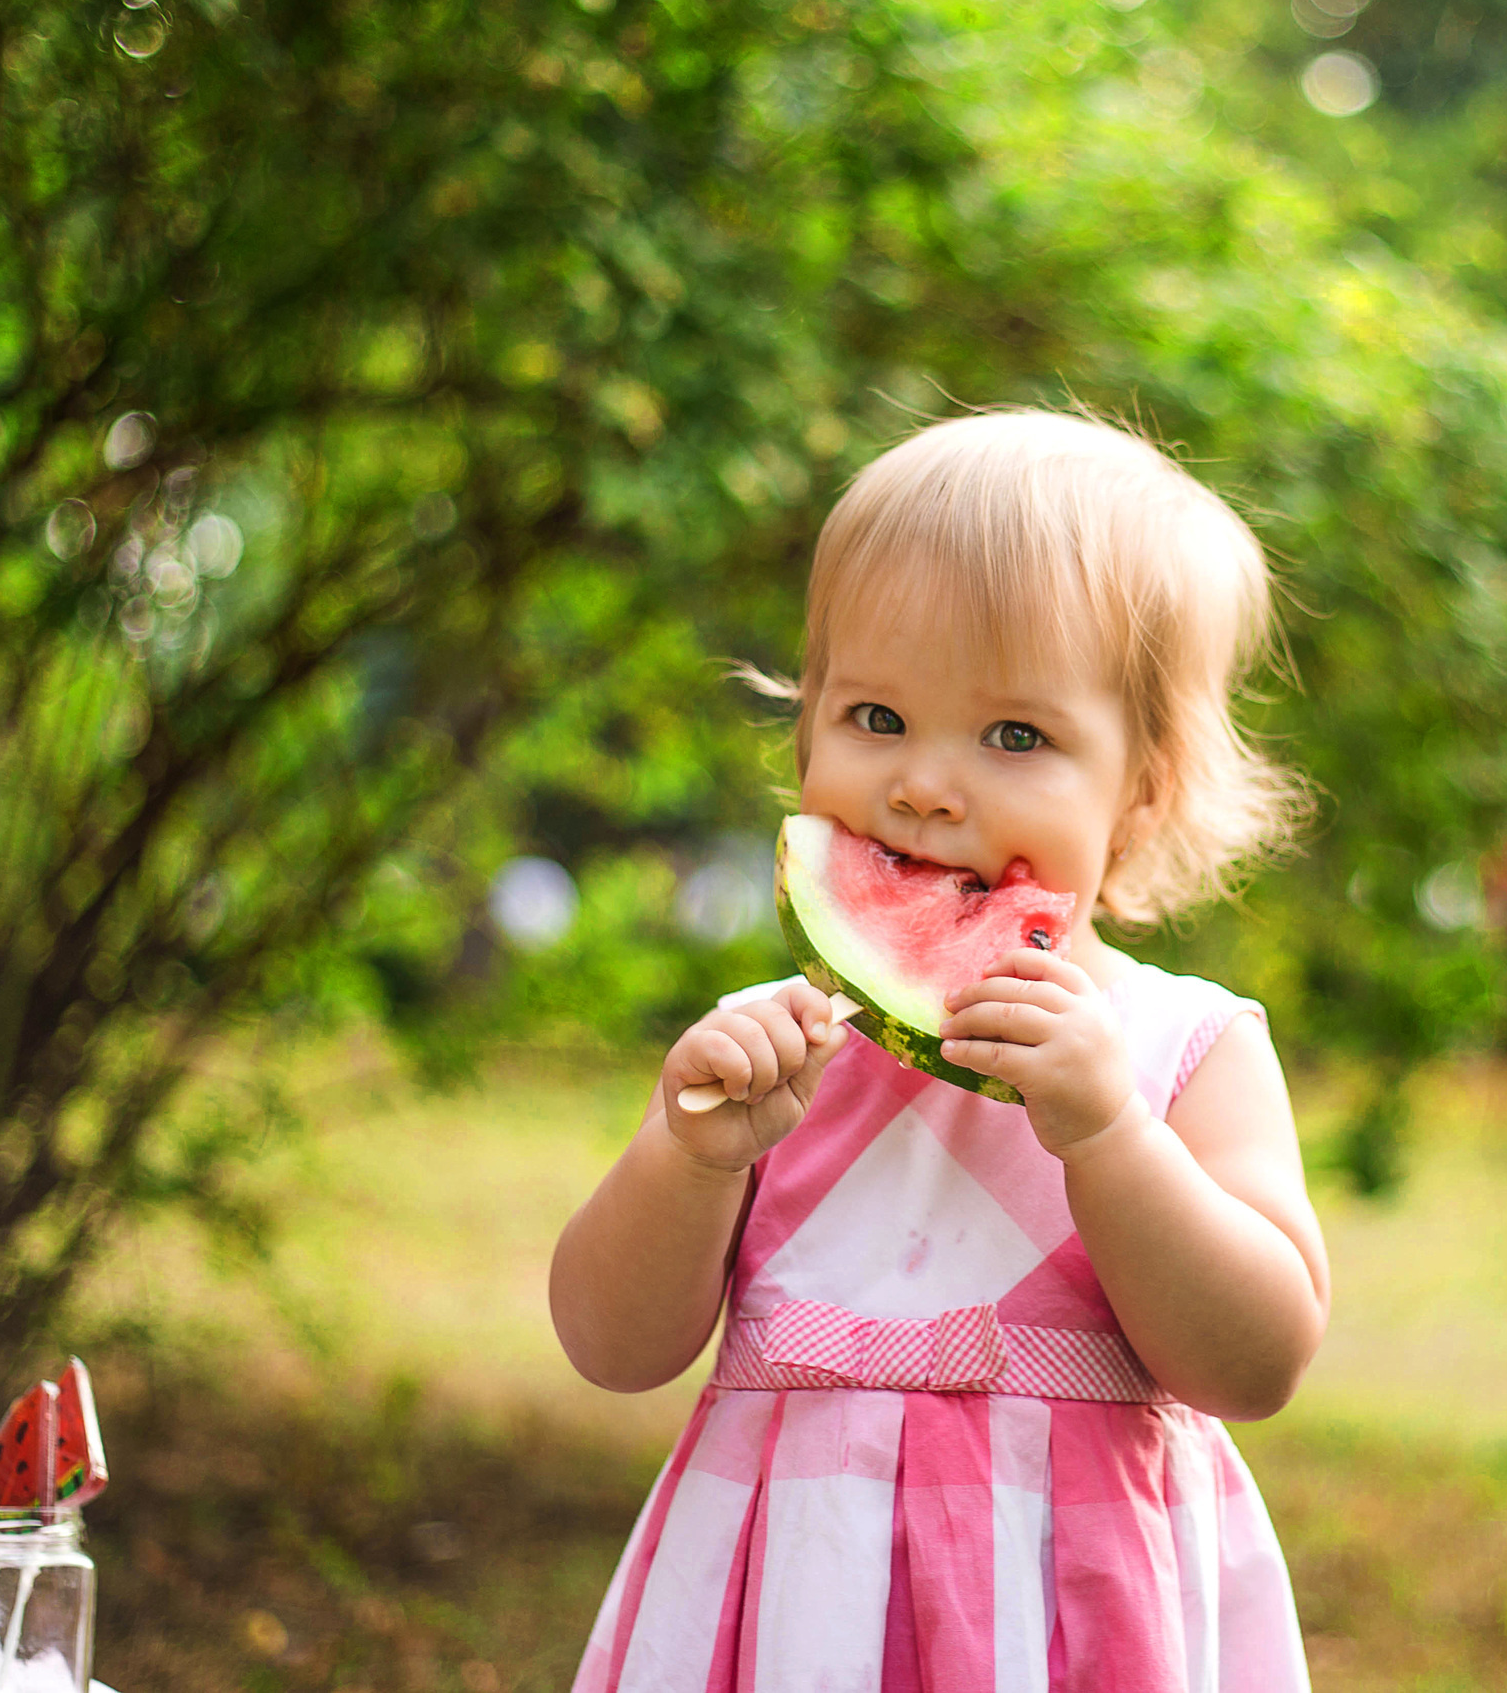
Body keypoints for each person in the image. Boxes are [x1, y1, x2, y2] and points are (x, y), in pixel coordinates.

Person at [550, 409, 1329, 1692]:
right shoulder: (771, 1056)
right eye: (874, 715)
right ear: (804, 731)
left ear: (1143, 788)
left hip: (1074, 1629)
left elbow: (1258, 1361)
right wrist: (688, 1161)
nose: (923, 785)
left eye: (1014, 736)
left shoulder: (1185, 1049)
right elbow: (609, 1345)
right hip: (788, 1626)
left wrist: (1112, 1135)